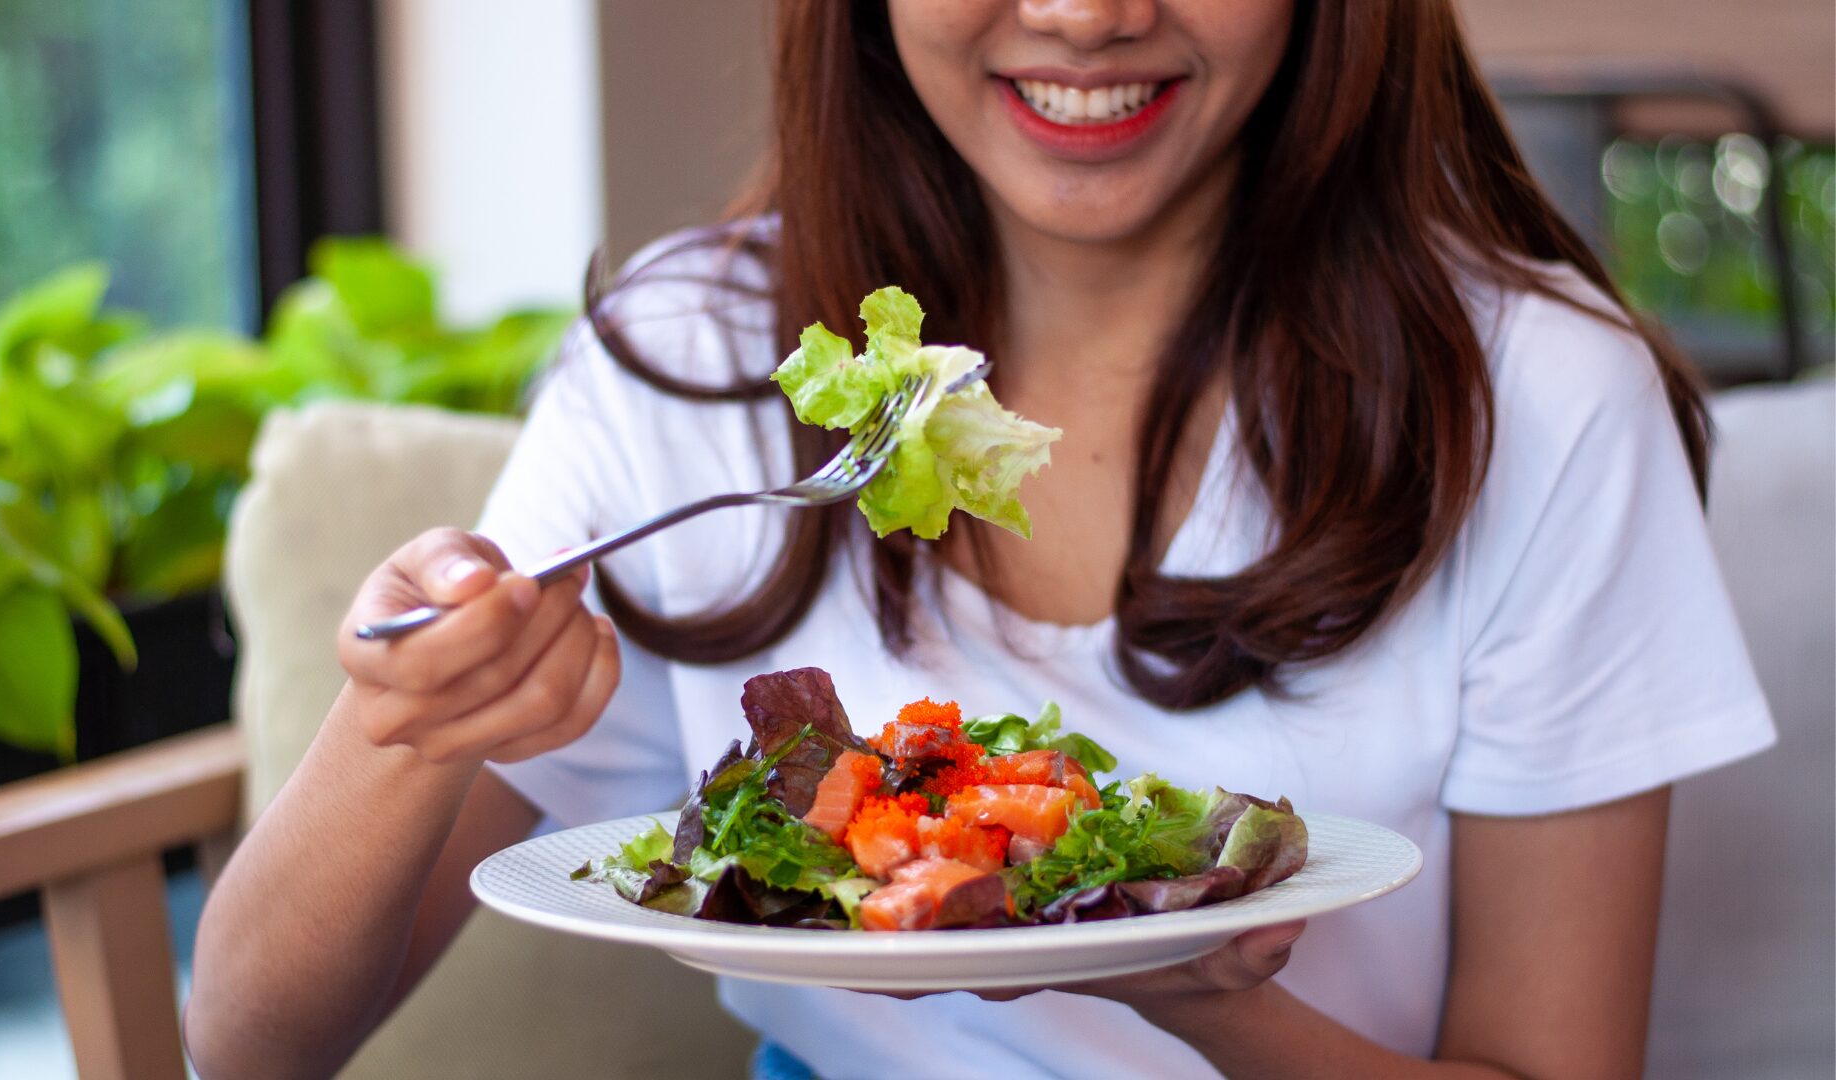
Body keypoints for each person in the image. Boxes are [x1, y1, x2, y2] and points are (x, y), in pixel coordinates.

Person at [184, 3, 1777, 1078]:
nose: (1085, 10)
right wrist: (397, 729)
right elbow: (246, 1043)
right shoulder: (688, 360)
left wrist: (1199, 999)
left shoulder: (1538, 399)